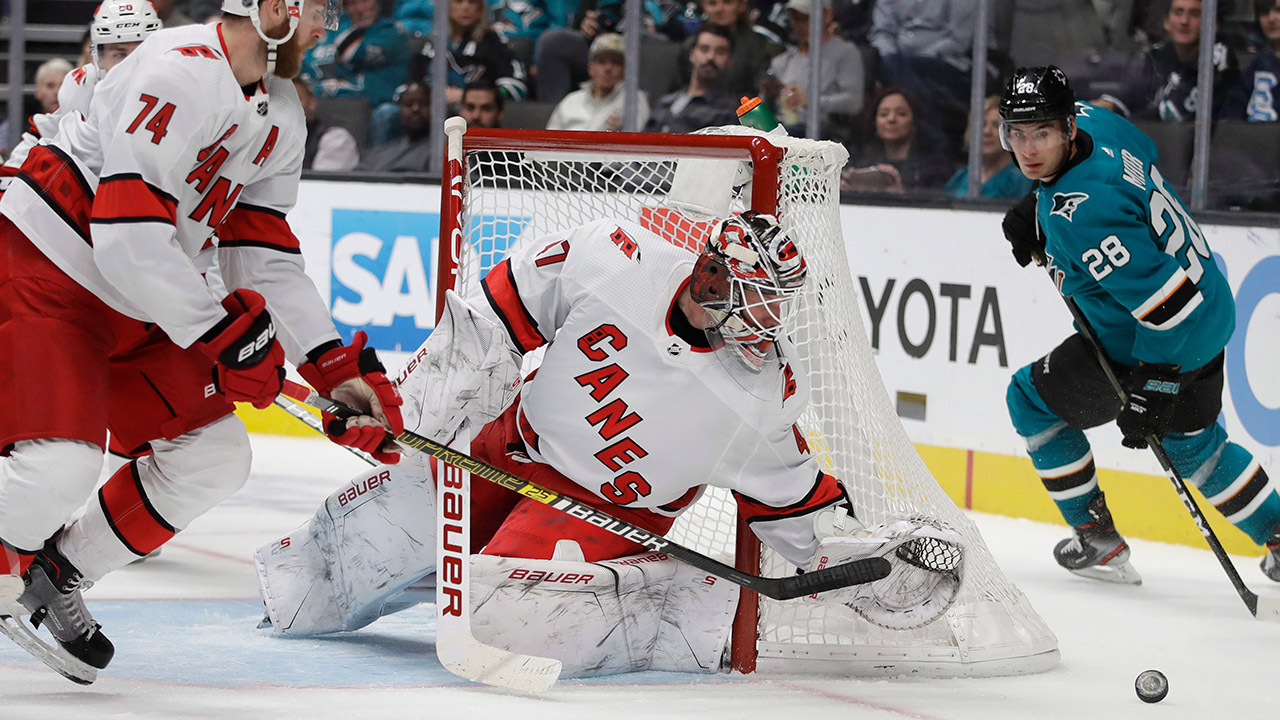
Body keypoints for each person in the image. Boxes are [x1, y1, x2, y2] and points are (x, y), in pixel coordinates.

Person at [254, 210, 965, 675]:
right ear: (713, 277)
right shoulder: (613, 259)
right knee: (342, 555)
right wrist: (410, 420)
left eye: (778, 303)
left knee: (505, 620)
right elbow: (488, 325)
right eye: (759, 298)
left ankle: (676, 609)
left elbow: (793, 502)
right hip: (508, 449)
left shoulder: (761, 394)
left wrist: (861, 560)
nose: (769, 321)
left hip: (605, 516)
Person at [0, 0, 404, 685]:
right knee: (56, 468)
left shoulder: (280, 109)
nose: (325, 30)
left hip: (142, 298)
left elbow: (261, 249)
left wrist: (331, 364)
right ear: (275, 8)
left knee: (213, 457)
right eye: (319, 12)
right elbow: (126, 235)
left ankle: (51, 577)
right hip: (51, 266)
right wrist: (224, 337)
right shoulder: (175, 69)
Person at [998, 66, 1280, 585]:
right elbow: (1140, 151)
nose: (1028, 148)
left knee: (1028, 401)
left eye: (1042, 134)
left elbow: (1166, 306)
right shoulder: (1097, 122)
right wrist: (1035, 202)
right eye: (1017, 133)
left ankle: (1097, 539)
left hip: (1157, 339)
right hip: (1211, 309)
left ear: (1066, 130)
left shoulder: (1082, 216)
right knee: (1195, 446)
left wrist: (1155, 381)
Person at [1, 0, 163, 196]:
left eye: (140, 52)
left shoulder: (183, 87)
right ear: (98, 57)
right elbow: (44, 133)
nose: (130, 64)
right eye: (119, 54)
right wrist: (9, 178)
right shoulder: (81, 85)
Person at [1095, 0, 1239, 121]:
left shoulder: (1218, 59)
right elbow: (1130, 93)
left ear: (1212, 25)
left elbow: (1172, 117)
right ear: (1166, 22)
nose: (1184, 21)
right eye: (1178, 12)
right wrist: (1107, 106)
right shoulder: (1156, 56)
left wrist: (1124, 122)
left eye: (1195, 14)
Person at [760, 0, 864, 138]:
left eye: (805, 18)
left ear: (827, 16)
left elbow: (853, 101)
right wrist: (768, 95)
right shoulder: (781, 61)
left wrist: (810, 101)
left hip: (825, 134)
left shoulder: (846, 53)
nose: (799, 24)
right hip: (781, 130)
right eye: (795, 18)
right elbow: (764, 105)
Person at [408, 0, 529, 103]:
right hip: (433, 118)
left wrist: (471, 96)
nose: (465, 7)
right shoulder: (430, 45)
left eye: (472, 1)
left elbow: (515, 86)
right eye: (458, 1)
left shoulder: (494, 43)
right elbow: (410, 87)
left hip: (479, 117)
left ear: (480, 8)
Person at [301, 0, 412, 108]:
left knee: (386, 112)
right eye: (352, 3)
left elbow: (356, 54)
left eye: (365, 1)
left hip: (375, 105)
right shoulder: (332, 31)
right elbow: (308, 66)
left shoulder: (393, 33)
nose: (359, 9)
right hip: (327, 103)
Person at [840, 87, 951, 193]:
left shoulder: (934, 168)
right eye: (884, 114)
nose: (891, 119)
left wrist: (901, 194)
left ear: (915, 123)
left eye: (901, 114)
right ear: (875, 124)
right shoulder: (862, 164)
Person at [677, 0, 782, 99]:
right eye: (712, 3)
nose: (719, 9)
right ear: (703, 7)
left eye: (727, 2)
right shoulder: (689, 46)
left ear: (740, 5)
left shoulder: (760, 46)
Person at [645, 24, 740, 133]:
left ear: (730, 60)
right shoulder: (665, 101)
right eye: (704, 49)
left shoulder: (728, 110)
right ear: (693, 54)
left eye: (720, 52)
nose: (710, 57)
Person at [546, 32, 650, 131]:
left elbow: (638, 141)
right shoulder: (571, 101)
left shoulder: (633, 101)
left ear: (625, 69)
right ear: (590, 68)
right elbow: (548, 143)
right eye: (601, 61)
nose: (608, 68)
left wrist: (621, 132)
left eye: (616, 62)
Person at [943, 96, 1033, 199]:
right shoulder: (960, 178)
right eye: (982, 125)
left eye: (996, 126)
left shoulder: (1022, 181)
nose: (987, 132)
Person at [1223, 0, 1280, 120]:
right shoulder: (1258, 64)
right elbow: (1231, 116)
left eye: (1279, 11)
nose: (1271, 18)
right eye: (1264, 12)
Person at [360, 81, 433, 170]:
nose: (415, 109)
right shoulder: (381, 153)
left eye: (423, 103)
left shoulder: (444, 153)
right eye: (408, 104)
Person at [293, 76, 361, 170]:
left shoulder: (336, 139)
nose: (286, 107)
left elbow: (319, 183)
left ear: (311, 103)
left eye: (295, 99)